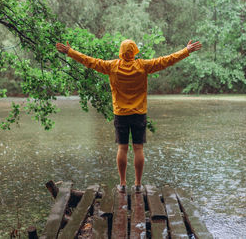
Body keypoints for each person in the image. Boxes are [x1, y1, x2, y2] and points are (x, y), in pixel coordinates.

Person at [56, 39, 202, 193]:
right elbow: (167, 60)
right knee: (138, 147)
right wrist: (186, 50)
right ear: (134, 52)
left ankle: (123, 183)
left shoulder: (112, 66)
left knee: (122, 147)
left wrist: (70, 52)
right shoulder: (143, 66)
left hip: (121, 114)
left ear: (121, 52)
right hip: (139, 114)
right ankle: (138, 184)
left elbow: (90, 61)